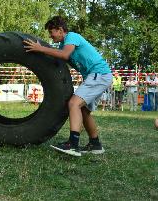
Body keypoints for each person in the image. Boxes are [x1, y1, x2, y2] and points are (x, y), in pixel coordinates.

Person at [23, 16, 112, 157]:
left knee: (73, 104)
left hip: (98, 74)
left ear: (60, 30)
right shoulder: (62, 44)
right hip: (97, 76)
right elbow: (55, 56)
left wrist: (39, 48)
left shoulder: (72, 37)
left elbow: (64, 55)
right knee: (83, 110)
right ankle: (95, 144)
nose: (50, 36)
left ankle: (73, 144)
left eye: (51, 32)